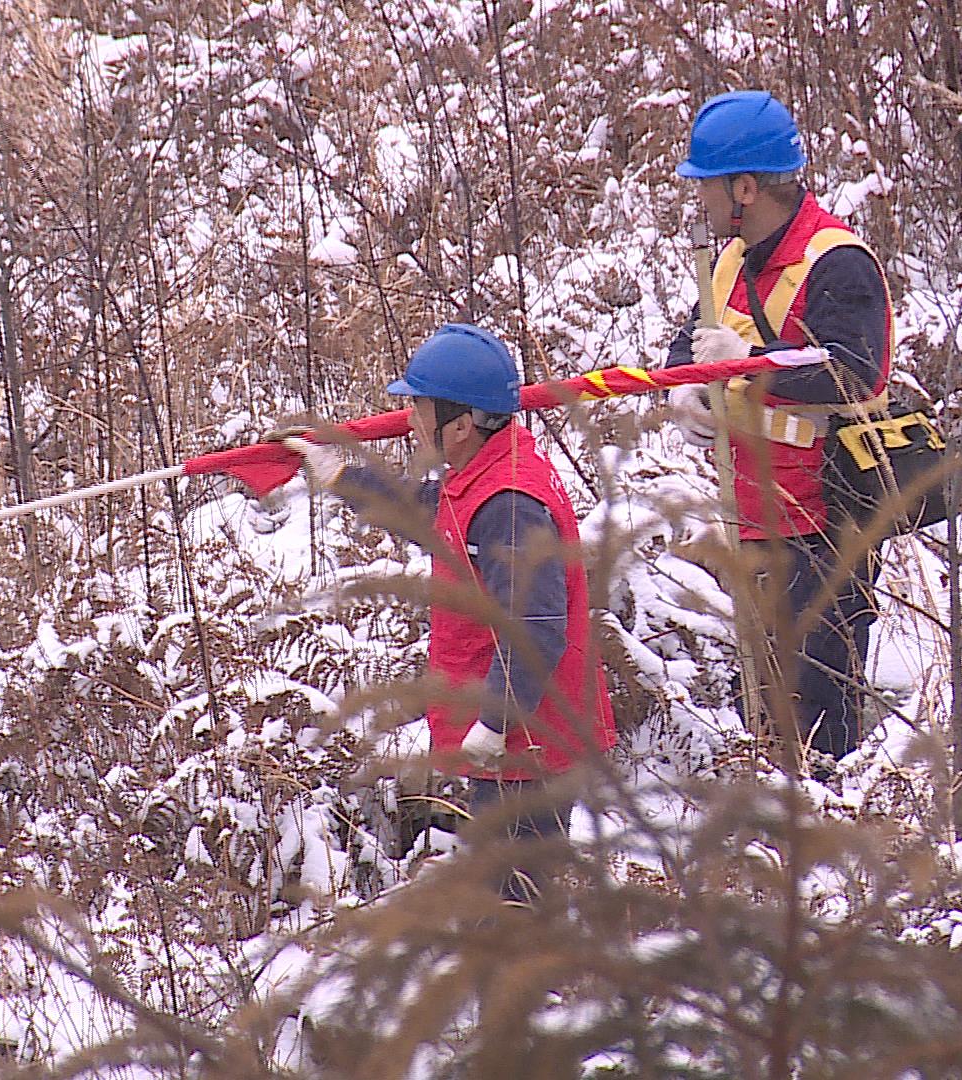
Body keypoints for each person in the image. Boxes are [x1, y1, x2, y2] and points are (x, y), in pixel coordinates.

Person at [281, 323, 617, 902]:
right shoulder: (490, 476)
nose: (409, 418)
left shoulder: (509, 504)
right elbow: (434, 515)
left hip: (524, 748)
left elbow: (537, 629)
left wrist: (494, 725)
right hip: (521, 740)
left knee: (514, 912)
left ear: (461, 424)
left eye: (419, 405)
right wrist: (342, 476)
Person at [663, 89, 893, 767]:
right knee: (760, 708)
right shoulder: (732, 261)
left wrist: (752, 366)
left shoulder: (836, 263)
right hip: (752, 524)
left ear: (745, 187)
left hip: (826, 530)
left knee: (818, 717)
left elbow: (856, 376)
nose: (699, 202)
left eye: (706, 187)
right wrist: (689, 395)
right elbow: (691, 347)